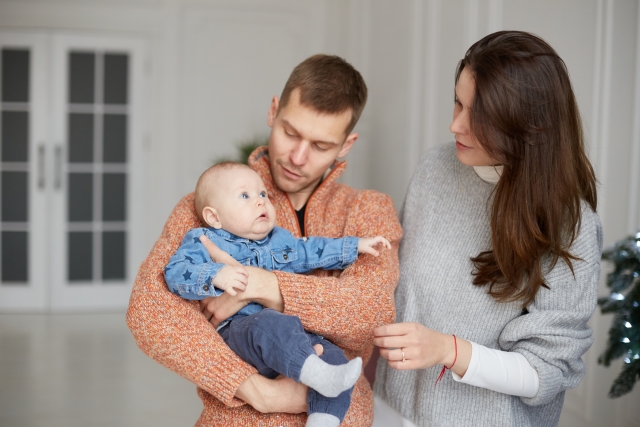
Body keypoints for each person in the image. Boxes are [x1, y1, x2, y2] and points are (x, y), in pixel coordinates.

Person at [126, 54, 403, 426]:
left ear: (346, 144)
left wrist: (260, 285)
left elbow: (371, 312)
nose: (298, 157)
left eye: (320, 145)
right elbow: (150, 312)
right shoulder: (210, 205)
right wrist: (256, 389)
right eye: (290, 132)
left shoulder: (369, 212)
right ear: (274, 111)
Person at [372, 31, 602, 427]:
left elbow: (546, 372)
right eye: (457, 103)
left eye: (477, 115)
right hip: (390, 411)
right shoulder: (435, 169)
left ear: (525, 128)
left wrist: (448, 350)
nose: (455, 125)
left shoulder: (571, 226)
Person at [164, 161, 392, 427]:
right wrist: (216, 275)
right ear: (214, 217)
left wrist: (356, 246)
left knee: (334, 358)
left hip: (287, 334)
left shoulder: (279, 240)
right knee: (268, 323)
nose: (260, 202)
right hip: (240, 333)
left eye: (262, 194)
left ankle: (322, 419)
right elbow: (175, 272)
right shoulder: (203, 239)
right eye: (245, 196)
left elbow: (312, 250)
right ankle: (315, 374)